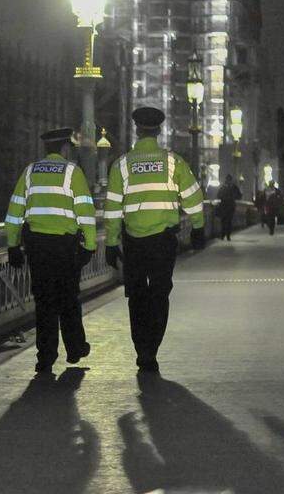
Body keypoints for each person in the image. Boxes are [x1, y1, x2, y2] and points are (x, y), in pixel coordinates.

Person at [103, 107, 205, 373]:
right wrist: (198, 228)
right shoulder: (173, 162)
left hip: (133, 242)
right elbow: (193, 198)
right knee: (160, 294)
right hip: (163, 241)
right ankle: (152, 349)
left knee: (137, 297)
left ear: (137, 130)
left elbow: (112, 209)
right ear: (159, 131)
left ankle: (141, 349)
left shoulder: (122, 165)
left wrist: (112, 243)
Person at [4, 127, 97, 375]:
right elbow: (85, 212)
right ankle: (75, 348)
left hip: (38, 248)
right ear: (66, 148)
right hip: (65, 248)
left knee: (44, 302)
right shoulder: (72, 173)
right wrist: (89, 245)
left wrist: (13, 245)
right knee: (68, 298)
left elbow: (14, 213)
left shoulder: (30, 172)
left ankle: (45, 357)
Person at [215, 176, 242, 240]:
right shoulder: (234, 187)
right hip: (230, 206)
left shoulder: (222, 187)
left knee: (224, 221)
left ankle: (223, 235)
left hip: (224, 206)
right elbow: (239, 196)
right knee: (228, 221)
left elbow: (218, 195)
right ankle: (227, 235)